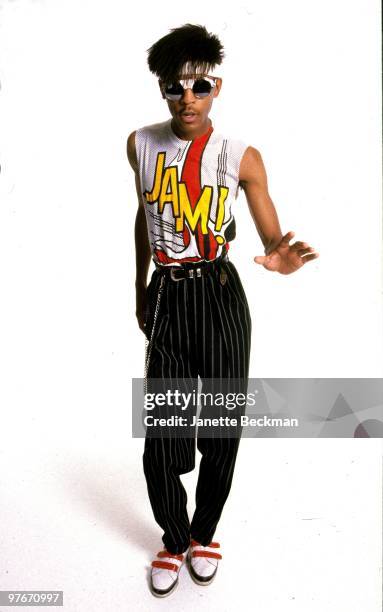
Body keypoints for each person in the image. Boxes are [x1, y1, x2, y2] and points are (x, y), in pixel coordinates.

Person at [127, 23, 319, 598]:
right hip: (167, 291)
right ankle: (173, 535)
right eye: (175, 87)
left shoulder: (241, 156)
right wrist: (140, 286)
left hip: (220, 293)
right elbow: (143, 216)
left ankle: (205, 532)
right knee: (163, 428)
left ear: (216, 87)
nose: (188, 97)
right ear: (162, 89)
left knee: (220, 423)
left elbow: (269, 232)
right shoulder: (139, 143)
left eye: (200, 85)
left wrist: (280, 257)